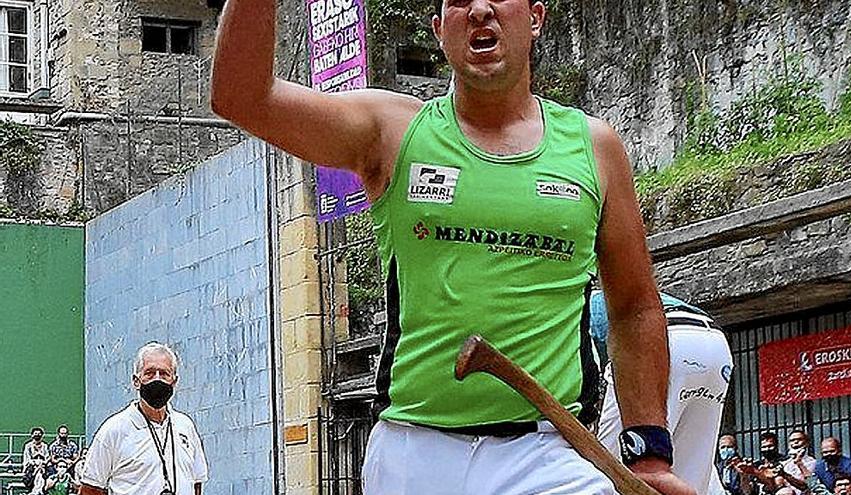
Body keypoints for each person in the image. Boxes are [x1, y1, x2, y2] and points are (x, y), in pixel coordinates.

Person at [212, 0, 695, 493]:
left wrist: (649, 454)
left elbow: (634, 306)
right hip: (411, 454)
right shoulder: (393, 132)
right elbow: (242, 97)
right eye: (459, 1)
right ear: (440, 31)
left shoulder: (594, 147)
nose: (480, 9)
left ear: (535, 16)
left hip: (546, 456)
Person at [593, 290, 733, 494]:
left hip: (660, 339)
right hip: (715, 344)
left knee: (606, 472)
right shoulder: (603, 294)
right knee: (688, 480)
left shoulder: (572, 306)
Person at [79, 343, 208, 495]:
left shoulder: (185, 426)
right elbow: (90, 489)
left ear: (174, 381)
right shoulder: (113, 430)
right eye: (150, 373)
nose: (157, 379)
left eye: (164, 374)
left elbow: (196, 482)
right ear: (136, 381)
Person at [781, 430, 816, 494]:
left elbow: (809, 484)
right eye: (792, 440)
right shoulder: (784, 464)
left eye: (799, 439)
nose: (796, 442)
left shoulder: (813, 463)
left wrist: (799, 463)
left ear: (807, 443)